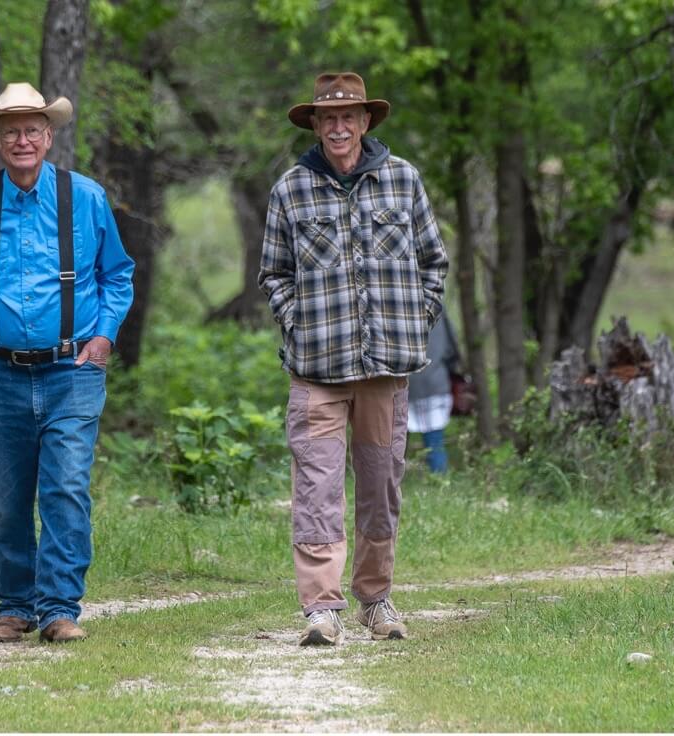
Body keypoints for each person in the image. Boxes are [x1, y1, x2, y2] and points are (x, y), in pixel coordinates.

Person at [0, 83, 134, 644]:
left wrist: (104, 337)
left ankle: (59, 608)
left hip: (72, 370)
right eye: (10, 131)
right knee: (1, 497)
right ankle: (15, 604)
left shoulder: (86, 197)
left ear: (49, 136)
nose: (21, 140)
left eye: (31, 130)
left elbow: (117, 274)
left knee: (66, 487)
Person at [258, 72, 449, 645]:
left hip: (386, 369)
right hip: (316, 371)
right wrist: (298, 323)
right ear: (314, 125)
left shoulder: (402, 180)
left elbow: (433, 262)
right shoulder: (291, 189)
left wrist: (416, 319)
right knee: (316, 486)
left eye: (349, 116)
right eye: (328, 117)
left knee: (380, 483)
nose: (339, 126)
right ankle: (321, 607)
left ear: (366, 122)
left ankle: (377, 599)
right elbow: (274, 273)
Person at [407, 315, 461, 473]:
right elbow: (452, 345)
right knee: (435, 443)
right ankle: (440, 484)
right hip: (435, 380)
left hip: (403, 382)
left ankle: (390, 491)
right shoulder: (436, 302)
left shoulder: (389, 300)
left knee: (393, 445)